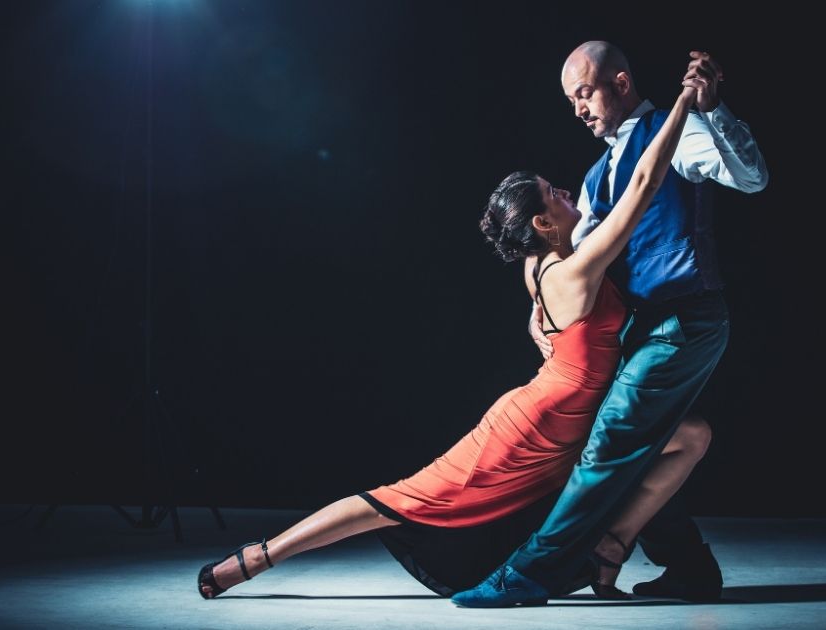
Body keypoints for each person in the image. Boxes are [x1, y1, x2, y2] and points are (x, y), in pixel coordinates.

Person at [196, 73, 712, 602]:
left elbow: (546, 318)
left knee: (690, 436)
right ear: (543, 220)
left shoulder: (541, 262)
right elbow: (645, 183)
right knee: (400, 500)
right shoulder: (576, 271)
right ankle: (258, 557)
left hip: (575, 412)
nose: (565, 191)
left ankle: (611, 547)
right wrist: (681, 102)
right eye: (554, 194)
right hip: (535, 427)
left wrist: (540, 328)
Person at [451, 44, 768, 607]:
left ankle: (530, 573)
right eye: (570, 100)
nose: (577, 109)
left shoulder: (681, 132)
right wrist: (537, 304)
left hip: (684, 316)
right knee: (648, 442)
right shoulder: (596, 176)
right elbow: (570, 251)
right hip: (638, 330)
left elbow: (751, 179)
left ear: (619, 83)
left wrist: (714, 112)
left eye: (584, 93)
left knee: (611, 443)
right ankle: (688, 566)